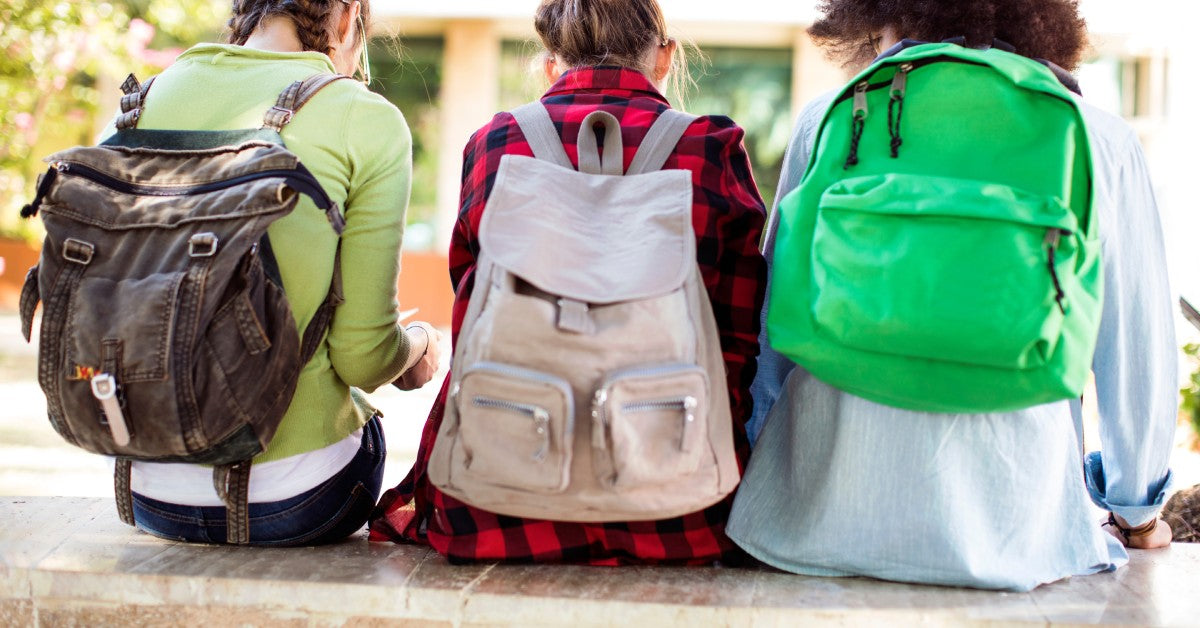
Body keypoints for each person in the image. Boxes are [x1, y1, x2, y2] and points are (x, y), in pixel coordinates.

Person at [728, 0, 1176, 591]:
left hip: (810, 522)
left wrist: (756, 472)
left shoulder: (834, 116)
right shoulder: (1098, 137)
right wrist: (1135, 511)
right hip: (1020, 538)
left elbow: (772, 333)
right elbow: (1135, 349)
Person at [369, 0, 768, 564]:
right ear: (665, 58)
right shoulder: (710, 149)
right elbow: (738, 345)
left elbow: (471, 310)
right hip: (677, 506)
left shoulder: (496, 145)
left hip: (497, 501)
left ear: (551, 64)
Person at [112, 0, 442, 545]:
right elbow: (363, 357)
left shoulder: (137, 104)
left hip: (144, 489)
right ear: (345, 16)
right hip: (293, 500)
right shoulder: (366, 118)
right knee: (369, 428)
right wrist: (419, 347)